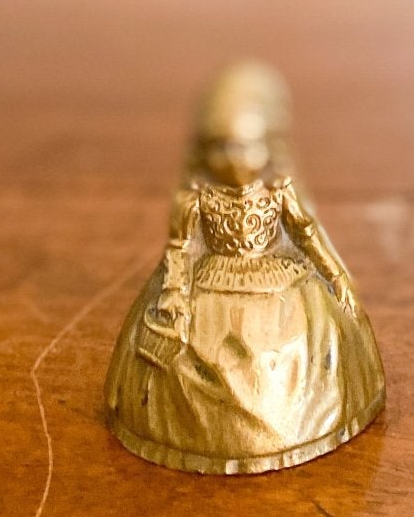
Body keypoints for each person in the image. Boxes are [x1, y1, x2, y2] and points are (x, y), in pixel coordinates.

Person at [106, 173, 385, 474]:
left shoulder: (277, 184)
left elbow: (306, 232)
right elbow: (179, 249)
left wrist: (336, 276)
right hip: (211, 284)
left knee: (322, 329)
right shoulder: (197, 192)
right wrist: (174, 293)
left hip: (280, 283)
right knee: (189, 362)